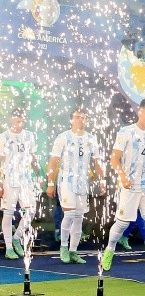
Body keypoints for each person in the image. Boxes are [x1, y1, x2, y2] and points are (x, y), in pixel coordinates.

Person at [101, 97, 145, 274]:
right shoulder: (126, 132)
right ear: (140, 112)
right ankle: (109, 250)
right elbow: (114, 159)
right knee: (122, 223)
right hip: (130, 185)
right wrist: (122, 176)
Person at [46, 108, 106, 264]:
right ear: (71, 119)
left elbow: (97, 162)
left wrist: (102, 180)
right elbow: (53, 162)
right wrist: (50, 183)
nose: (81, 120)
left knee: (79, 217)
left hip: (82, 182)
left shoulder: (91, 139)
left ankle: (73, 250)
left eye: (84, 117)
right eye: (77, 117)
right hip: (66, 180)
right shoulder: (63, 137)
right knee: (70, 214)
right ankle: (64, 247)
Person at [0, 108, 41, 260]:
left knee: (30, 211)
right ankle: (9, 247)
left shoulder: (29, 136)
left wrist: (39, 174)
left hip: (26, 180)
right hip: (9, 180)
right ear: (11, 119)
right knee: (8, 213)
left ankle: (17, 238)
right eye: (17, 119)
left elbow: (33, 156)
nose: (20, 122)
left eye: (22, 119)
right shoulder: (4, 137)